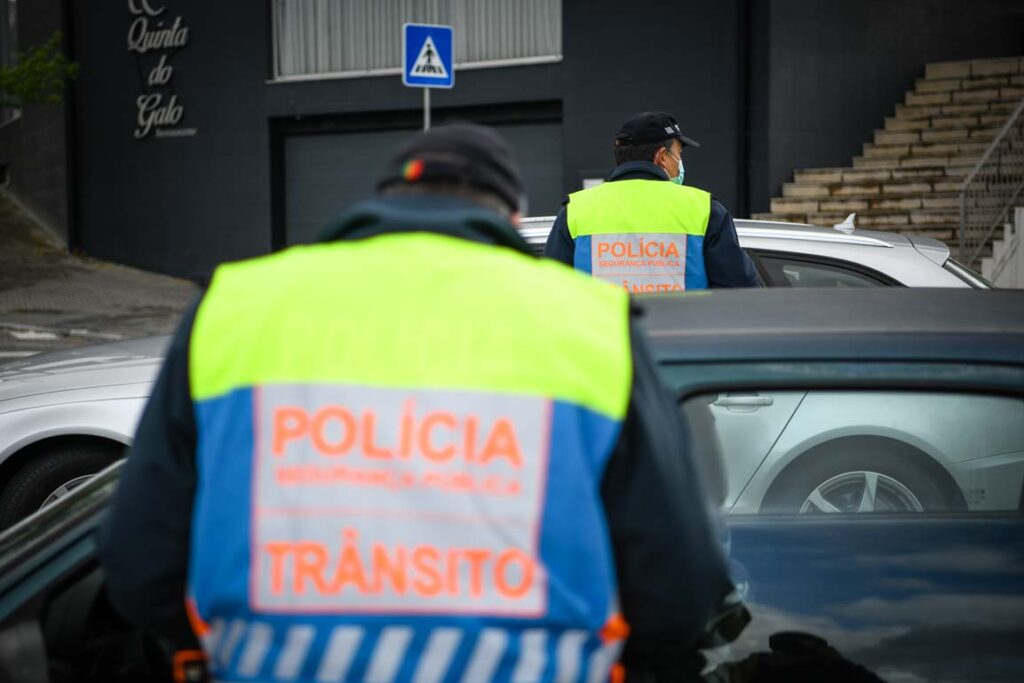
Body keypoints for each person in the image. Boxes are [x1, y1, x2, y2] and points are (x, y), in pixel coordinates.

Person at [99, 123, 742, 683]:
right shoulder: (591, 327)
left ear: (383, 202)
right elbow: (678, 588)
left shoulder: (232, 310)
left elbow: (138, 566)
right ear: (510, 218)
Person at [544, 111, 759, 291]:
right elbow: (741, 292)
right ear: (661, 157)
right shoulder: (704, 210)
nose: (680, 163)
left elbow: (549, 293)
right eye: (679, 154)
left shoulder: (576, 211)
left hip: (602, 341)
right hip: (681, 340)